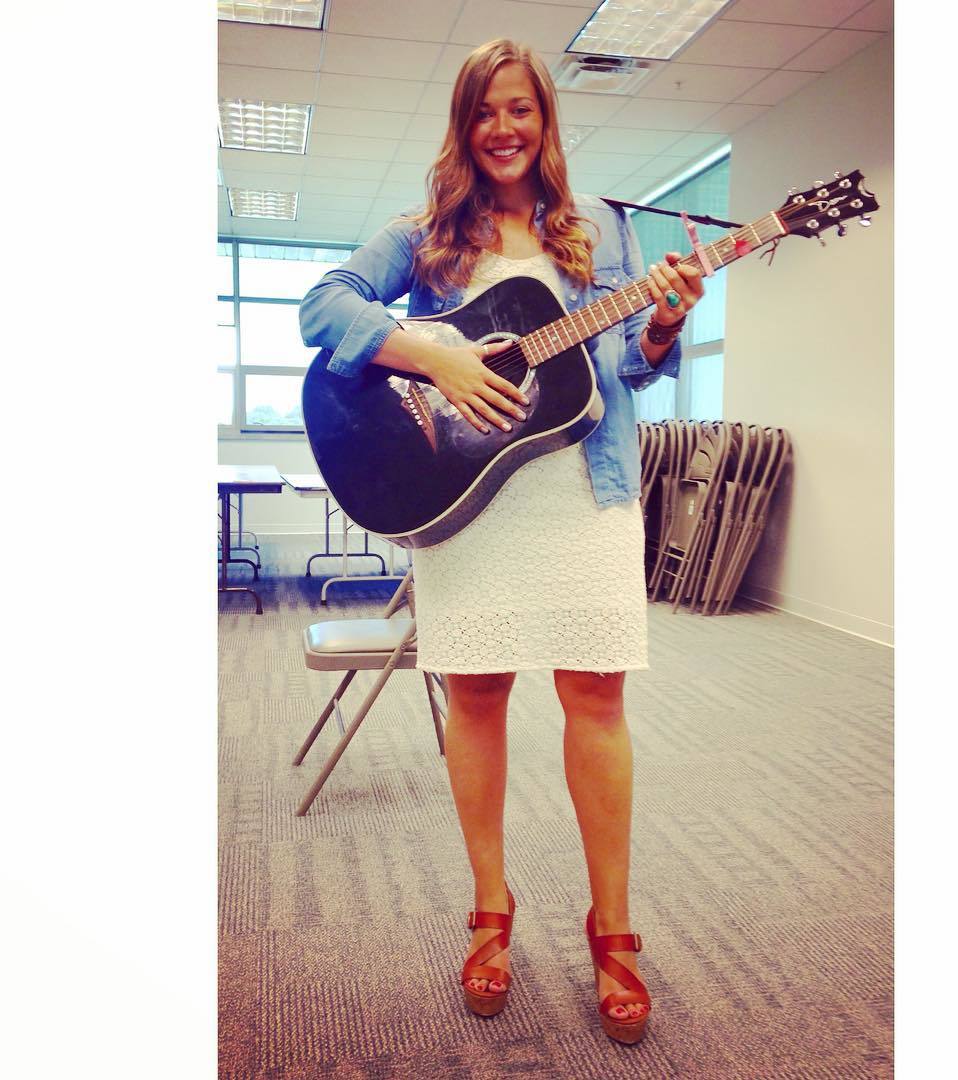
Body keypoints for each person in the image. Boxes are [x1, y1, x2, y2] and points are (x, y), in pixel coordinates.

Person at [299, 38, 704, 1045]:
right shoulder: (424, 232)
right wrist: (430, 356)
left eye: (520, 108)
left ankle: (612, 927)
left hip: (585, 490)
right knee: (476, 695)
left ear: (545, 119)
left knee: (596, 697)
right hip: (468, 497)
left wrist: (660, 329)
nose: (503, 128)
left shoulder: (601, 230)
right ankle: (491, 910)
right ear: (464, 124)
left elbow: (626, 366)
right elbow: (324, 305)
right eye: (485, 111)